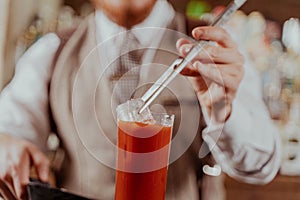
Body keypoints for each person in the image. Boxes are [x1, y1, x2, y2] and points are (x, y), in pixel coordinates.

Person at [0, 0, 281, 199]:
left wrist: (222, 110)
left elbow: (261, 166)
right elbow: (8, 132)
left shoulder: (216, 50)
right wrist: (5, 146)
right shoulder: (52, 52)